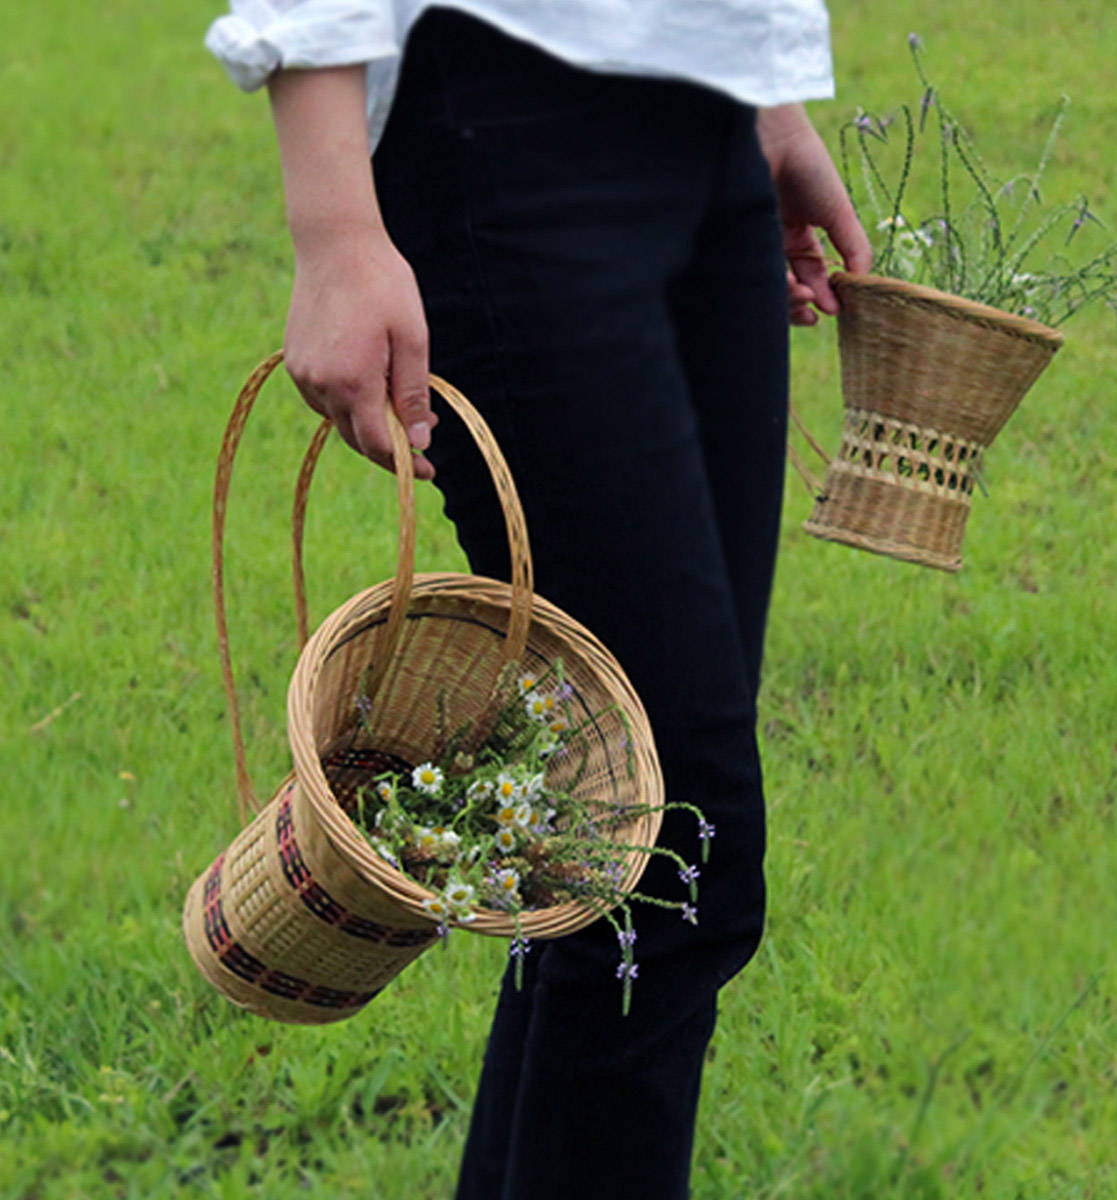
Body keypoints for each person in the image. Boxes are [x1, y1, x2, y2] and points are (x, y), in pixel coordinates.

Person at [206, 3, 871, 1196]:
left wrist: (764, 101)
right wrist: (334, 221)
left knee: (607, 854)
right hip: (509, 137)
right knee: (672, 876)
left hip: (710, 131)